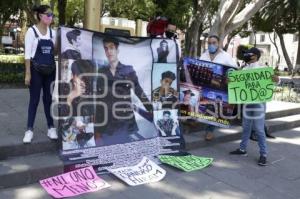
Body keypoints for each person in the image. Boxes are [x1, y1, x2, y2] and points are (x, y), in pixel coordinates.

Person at [95, 37, 153, 145]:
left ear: (117, 50)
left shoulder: (128, 70)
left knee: (125, 154)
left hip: (124, 122)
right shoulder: (102, 71)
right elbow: (99, 99)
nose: (109, 51)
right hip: (107, 123)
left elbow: (138, 90)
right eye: (106, 48)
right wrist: (97, 129)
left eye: (111, 48)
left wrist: (150, 109)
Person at [230, 47, 279, 166]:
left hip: (258, 104)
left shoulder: (263, 69)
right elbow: (235, 83)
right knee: (246, 127)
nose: (246, 56)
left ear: (255, 56)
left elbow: (275, 81)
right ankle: (242, 149)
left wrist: (276, 79)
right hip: (247, 103)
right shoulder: (243, 69)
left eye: (248, 54)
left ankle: (263, 154)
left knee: (259, 129)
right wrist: (230, 81)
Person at [23, 5, 57, 143]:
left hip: (50, 70)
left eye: (52, 15)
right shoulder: (31, 32)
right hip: (36, 70)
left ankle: (51, 127)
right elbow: (27, 55)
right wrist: (27, 73)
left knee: (48, 99)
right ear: (40, 16)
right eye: (48, 15)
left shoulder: (53, 33)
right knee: (34, 100)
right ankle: (29, 130)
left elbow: (55, 52)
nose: (51, 17)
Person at [199, 35, 237, 141]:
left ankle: (210, 130)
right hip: (206, 85)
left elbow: (234, 70)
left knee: (216, 109)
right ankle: (197, 122)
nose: (211, 45)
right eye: (209, 43)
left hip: (220, 87)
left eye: (213, 42)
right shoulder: (204, 55)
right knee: (206, 106)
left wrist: (230, 78)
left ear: (219, 43)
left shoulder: (226, 56)